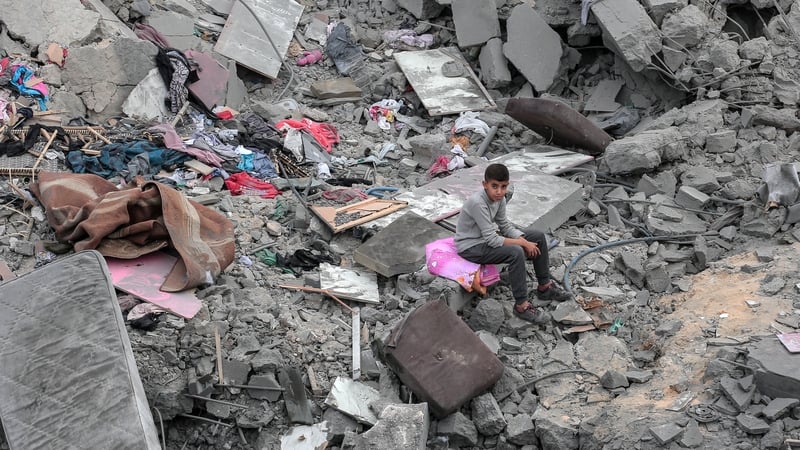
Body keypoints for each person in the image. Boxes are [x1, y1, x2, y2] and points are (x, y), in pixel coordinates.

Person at [455, 163, 570, 324]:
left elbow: (504, 225)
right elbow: (492, 239)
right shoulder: (478, 203)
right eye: (494, 186)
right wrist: (522, 244)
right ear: (484, 185)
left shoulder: (500, 199)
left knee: (537, 236)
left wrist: (523, 239)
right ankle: (521, 305)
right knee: (515, 252)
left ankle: (545, 287)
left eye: (503, 187)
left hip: (484, 240)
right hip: (470, 247)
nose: (499, 191)